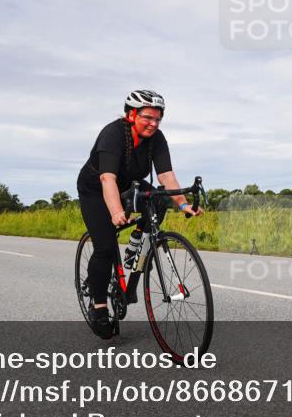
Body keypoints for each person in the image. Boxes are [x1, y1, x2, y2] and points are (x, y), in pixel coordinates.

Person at [76, 90, 203, 339]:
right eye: (147, 117)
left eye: (158, 119)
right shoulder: (112, 134)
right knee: (105, 246)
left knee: (159, 202)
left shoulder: (157, 138)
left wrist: (183, 205)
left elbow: (166, 175)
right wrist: (115, 212)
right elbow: (107, 178)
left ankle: (137, 257)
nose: (153, 124)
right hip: (96, 189)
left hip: (129, 185)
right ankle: (99, 304)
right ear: (131, 115)